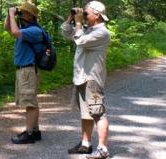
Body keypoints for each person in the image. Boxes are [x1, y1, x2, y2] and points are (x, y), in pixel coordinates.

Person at [61, 1, 111, 158]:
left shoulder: (102, 33)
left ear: (97, 15)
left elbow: (80, 40)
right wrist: (72, 18)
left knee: (98, 113)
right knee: (85, 113)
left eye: (86, 13)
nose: (83, 16)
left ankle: (103, 149)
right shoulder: (87, 30)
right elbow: (65, 32)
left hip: (92, 79)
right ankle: (85, 144)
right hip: (82, 78)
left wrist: (78, 23)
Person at [4, 2, 45, 144]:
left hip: (28, 70)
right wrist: (9, 16)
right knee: (32, 101)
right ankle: (35, 131)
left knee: (29, 102)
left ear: (31, 16)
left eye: (23, 12)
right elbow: (8, 29)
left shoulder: (34, 31)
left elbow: (15, 32)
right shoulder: (25, 29)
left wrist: (11, 14)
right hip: (24, 70)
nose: (21, 13)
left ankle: (29, 134)